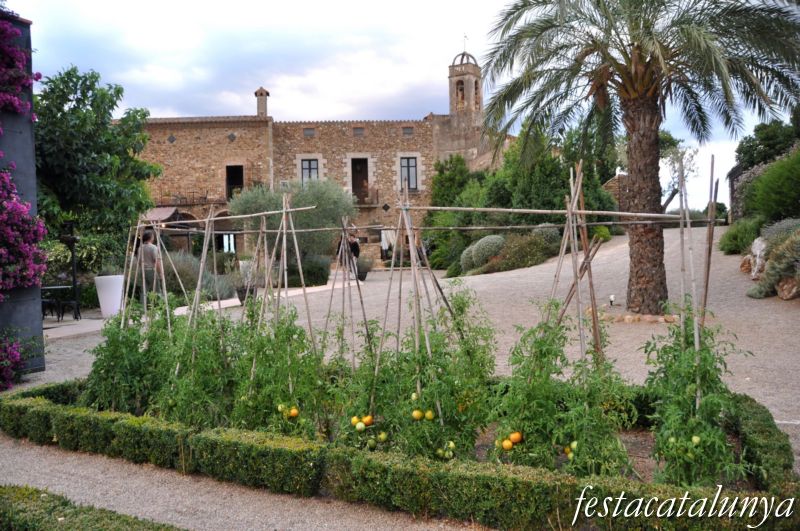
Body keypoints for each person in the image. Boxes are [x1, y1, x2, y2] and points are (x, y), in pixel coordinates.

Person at [140, 231, 162, 301]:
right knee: (157, 290)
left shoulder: (140, 248)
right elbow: (157, 261)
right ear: (150, 237)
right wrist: (160, 273)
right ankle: (159, 305)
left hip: (142, 271)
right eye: (153, 236)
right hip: (151, 271)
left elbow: (139, 262)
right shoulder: (153, 247)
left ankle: (143, 306)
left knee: (144, 290)